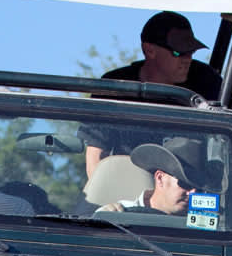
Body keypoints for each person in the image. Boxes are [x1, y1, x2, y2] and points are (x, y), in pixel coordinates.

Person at [87, 11, 223, 175]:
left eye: (191, 51)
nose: (187, 59)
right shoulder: (115, 87)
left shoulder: (207, 82)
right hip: (128, 192)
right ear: (149, 50)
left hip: (189, 191)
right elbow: (95, 158)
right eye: (178, 52)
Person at [95, 142, 200, 216]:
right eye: (184, 184)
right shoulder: (118, 213)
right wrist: (105, 221)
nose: (193, 193)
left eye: (198, 188)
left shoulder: (204, 225)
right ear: (160, 178)